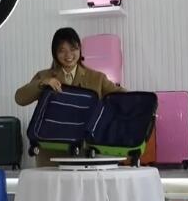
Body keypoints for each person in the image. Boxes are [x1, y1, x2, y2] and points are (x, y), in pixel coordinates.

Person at [15, 27, 124, 166]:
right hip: (50, 155)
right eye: (62, 50)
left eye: (73, 49)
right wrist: (42, 83)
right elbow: (20, 98)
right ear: (55, 53)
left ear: (80, 49)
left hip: (83, 154)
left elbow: (122, 96)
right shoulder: (44, 76)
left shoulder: (97, 78)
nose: (68, 55)